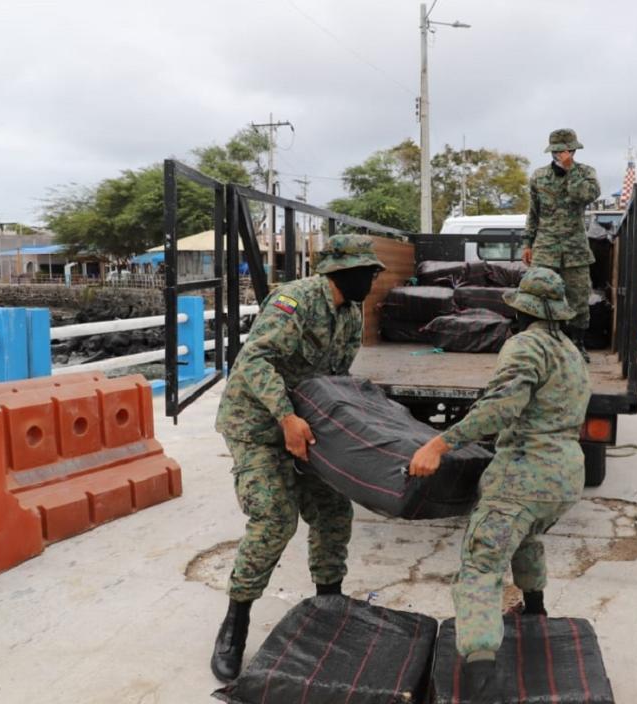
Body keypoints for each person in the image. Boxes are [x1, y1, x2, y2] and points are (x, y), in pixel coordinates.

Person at [209, 234, 386, 681]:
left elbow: (333, 377)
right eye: (367, 270)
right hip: (258, 426)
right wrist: (286, 418)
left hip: (305, 424)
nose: (373, 277)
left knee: (332, 509)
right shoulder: (296, 301)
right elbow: (254, 363)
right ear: (339, 271)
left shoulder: (351, 309)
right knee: (275, 517)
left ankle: (329, 600)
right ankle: (236, 622)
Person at [409, 267, 591, 699]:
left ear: (520, 311)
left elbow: (501, 408)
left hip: (524, 474)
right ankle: (536, 614)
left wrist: (440, 443)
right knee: (525, 536)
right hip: (565, 475)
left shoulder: (525, 346)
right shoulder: (570, 350)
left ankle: (479, 681)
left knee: (480, 567)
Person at [523, 128, 601, 362]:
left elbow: (586, 195)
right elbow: (533, 213)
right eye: (557, 151)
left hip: (575, 249)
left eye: (565, 151)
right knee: (539, 296)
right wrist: (528, 243)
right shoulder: (538, 176)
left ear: (573, 150)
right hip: (545, 248)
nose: (560, 155)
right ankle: (543, 343)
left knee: (578, 297)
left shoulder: (585, 173)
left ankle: (577, 344)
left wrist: (570, 170)